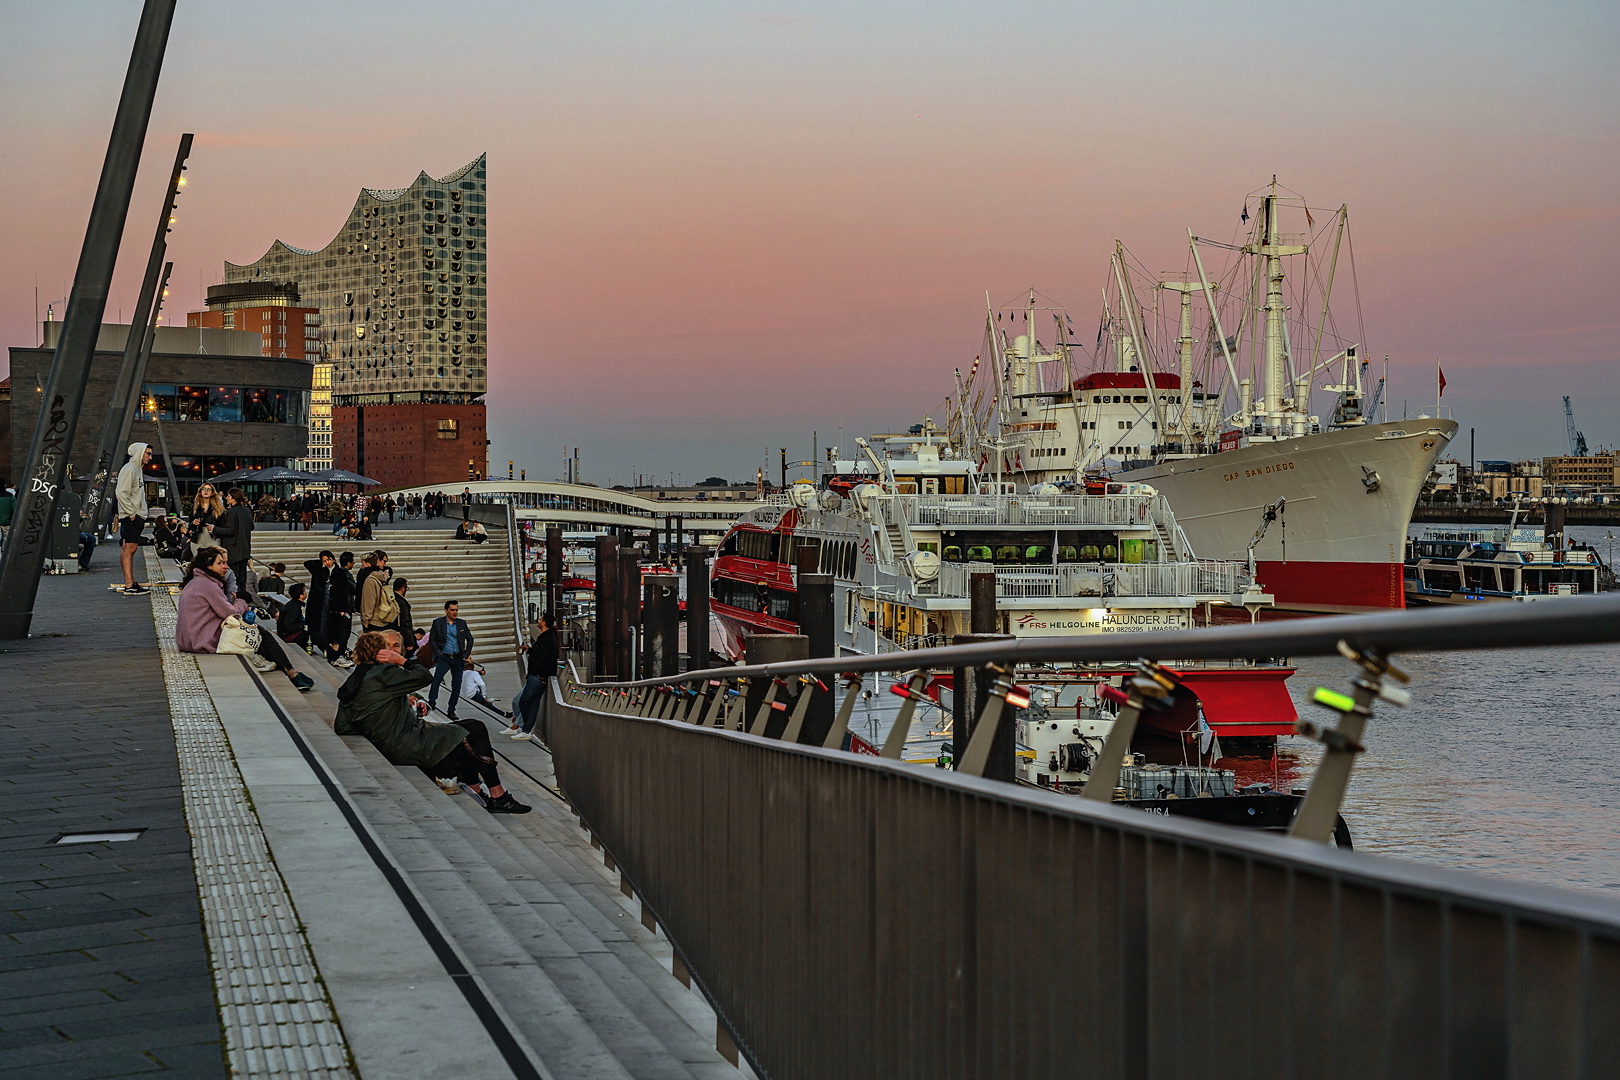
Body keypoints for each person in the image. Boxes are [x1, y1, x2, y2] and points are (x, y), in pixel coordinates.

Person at [334, 630, 529, 813]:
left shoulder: (359, 676)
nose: (392, 651)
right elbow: (424, 675)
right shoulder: (384, 673)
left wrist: (409, 703)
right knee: (473, 729)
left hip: (396, 740)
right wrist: (402, 661)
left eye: (396, 647)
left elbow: (342, 724)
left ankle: (479, 790)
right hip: (403, 744)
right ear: (378, 652)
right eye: (387, 647)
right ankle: (497, 795)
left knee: (463, 733)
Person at [176, 546, 313, 691]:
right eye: (220, 563)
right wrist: (242, 601)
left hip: (190, 638)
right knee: (260, 633)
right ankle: (292, 673)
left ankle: (290, 672)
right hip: (201, 640)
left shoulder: (196, 582)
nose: (226, 567)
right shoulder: (208, 586)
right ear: (208, 566)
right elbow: (232, 613)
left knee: (259, 635)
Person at [515, 612, 559, 743]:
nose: (538, 620)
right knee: (533, 704)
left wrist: (533, 671)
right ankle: (527, 729)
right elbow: (539, 652)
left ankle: (526, 728)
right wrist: (529, 649)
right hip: (540, 676)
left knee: (524, 701)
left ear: (544, 622)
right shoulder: (546, 637)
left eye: (540, 619)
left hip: (538, 676)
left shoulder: (546, 638)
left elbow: (542, 657)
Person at [115, 442, 153, 594]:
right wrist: (132, 513)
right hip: (132, 516)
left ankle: (130, 582)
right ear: (139, 453)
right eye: (148, 453)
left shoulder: (136, 469)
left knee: (127, 548)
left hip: (133, 515)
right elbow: (121, 492)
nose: (150, 457)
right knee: (130, 548)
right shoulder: (130, 469)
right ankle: (129, 584)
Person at [427, 599, 474, 719]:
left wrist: (466, 654)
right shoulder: (438, 623)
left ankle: (451, 709)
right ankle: (432, 701)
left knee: (456, 686)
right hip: (444, 657)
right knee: (437, 679)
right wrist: (438, 653)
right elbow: (432, 639)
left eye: (456, 610)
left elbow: (470, 639)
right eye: (452, 610)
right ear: (446, 610)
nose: (455, 612)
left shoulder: (461, 623)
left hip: (458, 658)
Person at [211, 487, 256, 599]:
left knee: (233, 579)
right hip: (244, 549)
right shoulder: (246, 510)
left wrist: (214, 529)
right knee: (242, 579)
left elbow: (229, 530)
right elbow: (251, 526)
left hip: (233, 549)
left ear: (234, 498)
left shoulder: (231, 512)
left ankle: (234, 601)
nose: (226, 498)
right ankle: (242, 601)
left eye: (228, 496)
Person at [324, 551, 357, 668]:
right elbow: (353, 589)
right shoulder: (344, 574)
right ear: (348, 563)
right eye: (353, 561)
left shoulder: (337, 572)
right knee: (343, 633)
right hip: (343, 609)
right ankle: (339, 656)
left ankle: (335, 656)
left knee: (338, 633)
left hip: (337, 609)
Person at [303, 550, 335, 658]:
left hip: (329, 602)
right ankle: (312, 646)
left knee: (326, 626)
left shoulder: (337, 571)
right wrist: (321, 563)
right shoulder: (319, 569)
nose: (327, 562)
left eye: (328, 560)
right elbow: (307, 563)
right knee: (315, 626)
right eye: (324, 561)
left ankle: (327, 647)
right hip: (317, 602)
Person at [359, 551, 398, 635]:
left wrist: (365, 621)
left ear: (368, 564)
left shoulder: (370, 580)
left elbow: (369, 603)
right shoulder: (381, 577)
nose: (361, 566)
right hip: (382, 616)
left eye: (362, 563)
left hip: (373, 621)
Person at [189, 483, 225, 557]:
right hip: (197, 537)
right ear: (200, 492)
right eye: (204, 489)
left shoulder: (218, 508)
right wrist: (193, 523)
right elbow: (189, 525)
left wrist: (214, 528)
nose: (206, 491)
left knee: (212, 560)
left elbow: (223, 524)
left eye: (208, 489)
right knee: (198, 561)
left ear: (212, 493)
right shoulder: (195, 507)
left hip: (212, 536)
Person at [278, 582, 312, 652]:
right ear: (301, 595)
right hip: (289, 635)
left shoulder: (294, 604)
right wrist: (302, 626)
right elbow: (288, 626)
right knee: (317, 637)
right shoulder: (293, 607)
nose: (306, 593)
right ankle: (333, 655)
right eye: (304, 591)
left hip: (291, 633)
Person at [390, 577, 415, 659]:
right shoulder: (401, 603)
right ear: (403, 588)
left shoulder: (392, 599)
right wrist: (409, 642)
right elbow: (404, 623)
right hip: (401, 636)